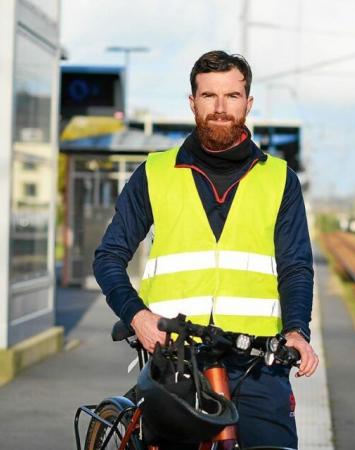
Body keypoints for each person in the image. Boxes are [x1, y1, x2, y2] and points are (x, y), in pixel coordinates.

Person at [93, 50, 317, 449]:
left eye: (231, 96)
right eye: (208, 96)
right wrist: (139, 316)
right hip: (176, 359)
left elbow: (296, 267)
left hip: (258, 360)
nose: (219, 108)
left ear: (248, 104)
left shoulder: (280, 179)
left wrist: (297, 330)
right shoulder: (155, 173)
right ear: (192, 102)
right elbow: (109, 257)